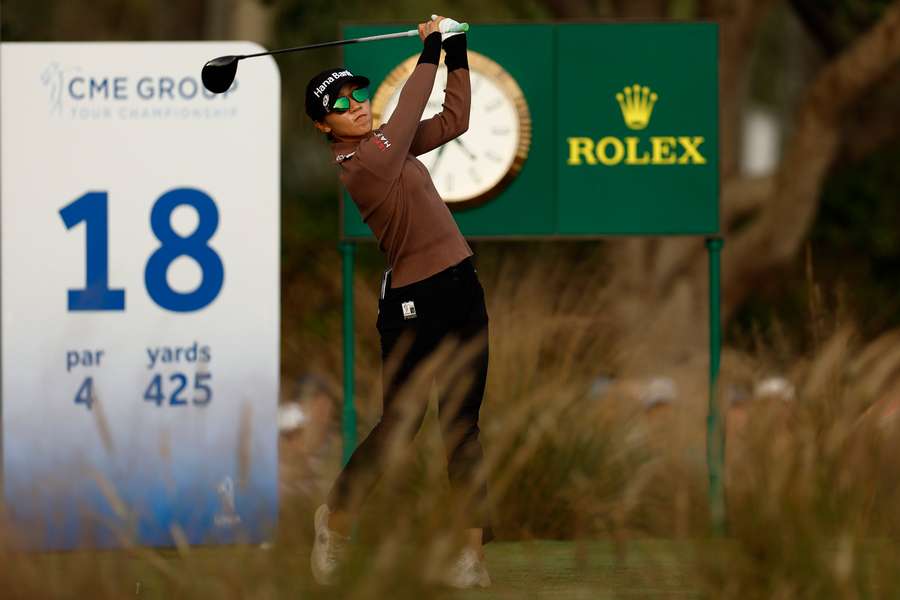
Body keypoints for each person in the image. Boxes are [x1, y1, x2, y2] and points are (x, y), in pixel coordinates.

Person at [303, 16, 491, 588]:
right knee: (402, 424)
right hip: (413, 302)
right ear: (323, 127)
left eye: (357, 94)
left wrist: (455, 48)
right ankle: (334, 524)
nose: (357, 104)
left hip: (462, 287)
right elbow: (408, 111)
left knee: (462, 427)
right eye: (340, 103)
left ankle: (471, 555)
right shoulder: (359, 165)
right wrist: (430, 47)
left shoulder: (389, 144)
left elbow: (455, 119)